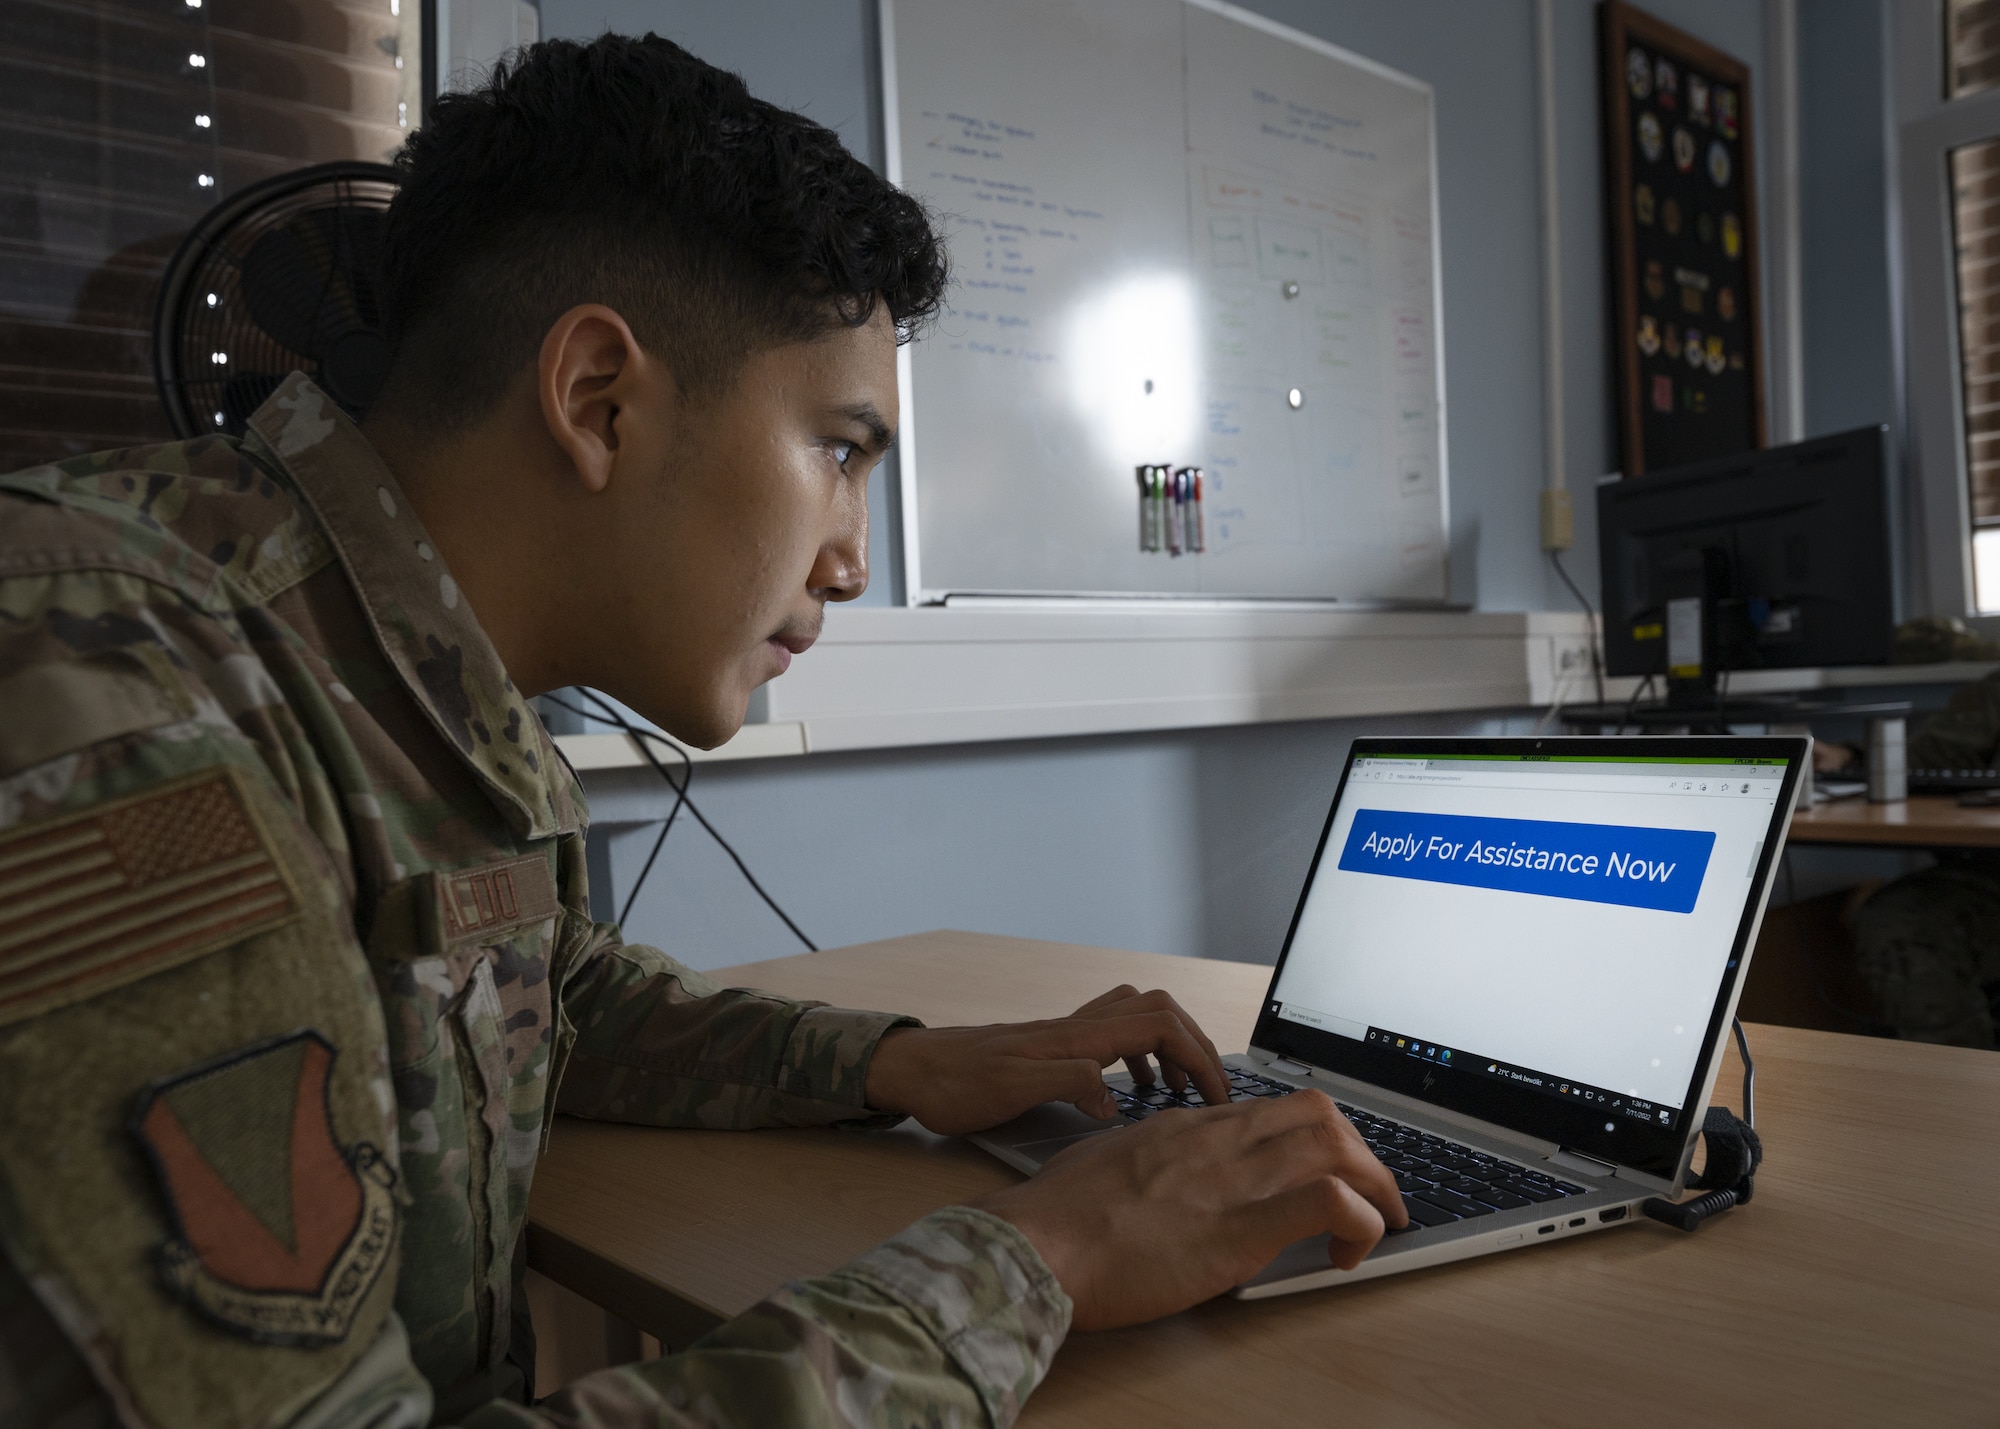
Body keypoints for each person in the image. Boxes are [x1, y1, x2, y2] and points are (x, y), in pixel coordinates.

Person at [0, 35, 1404, 1429]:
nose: (853, 558)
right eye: (840, 452)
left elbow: (537, 989)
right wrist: (1050, 1253)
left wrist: (896, 1062)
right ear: (598, 401)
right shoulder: (116, 693)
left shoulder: (406, 665)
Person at [1815, 669, 2000, 1047]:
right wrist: (1851, 757)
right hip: (1989, 877)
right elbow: (1939, 751)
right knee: (1899, 926)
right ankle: (1963, 1099)